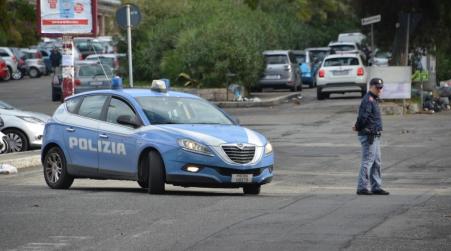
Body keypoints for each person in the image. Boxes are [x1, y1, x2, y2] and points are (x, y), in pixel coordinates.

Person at [353, 78, 389, 195]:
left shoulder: (373, 99)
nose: (379, 90)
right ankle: (362, 187)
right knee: (368, 161)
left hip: (375, 134)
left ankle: (376, 186)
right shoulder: (368, 99)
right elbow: (363, 117)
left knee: (376, 161)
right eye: (377, 87)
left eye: (381, 88)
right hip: (369, 135)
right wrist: (358, 127)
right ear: (371, 87)